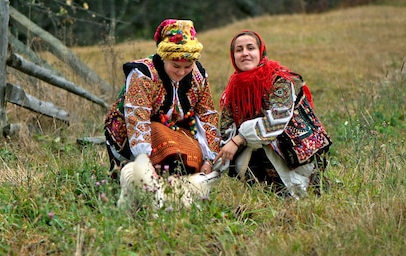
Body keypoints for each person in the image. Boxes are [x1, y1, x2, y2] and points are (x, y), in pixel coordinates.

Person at [214, 30, 332, 198]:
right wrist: (215, 164)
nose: (245, 53)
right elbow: (226, 130)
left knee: (260, 144)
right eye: (239, 50)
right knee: (247, 152)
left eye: (250, 48)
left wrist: (239, 139)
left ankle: (301, 186)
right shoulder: (233, 89)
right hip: (256, 148)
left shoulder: (279, 80)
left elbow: (276, 121)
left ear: (260, 51)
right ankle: (262, 187)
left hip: (291, 150)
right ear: (233, 56)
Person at [104, 19, 221, 179]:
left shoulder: (198, 75)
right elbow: (137, 116)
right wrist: (143, 160)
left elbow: (207, 115)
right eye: (176, 66)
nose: (181, 72)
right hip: (136, 134)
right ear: (163, 57)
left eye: (188, 66)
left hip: (177, 133)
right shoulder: (143, 73)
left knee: (190, 155)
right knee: (141, 169)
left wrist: (209, 159)